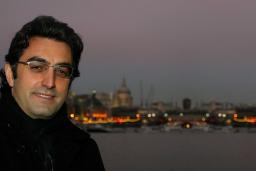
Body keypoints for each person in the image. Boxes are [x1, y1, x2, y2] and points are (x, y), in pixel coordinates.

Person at [0, 16, 105, 171]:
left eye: (61, 71)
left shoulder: (85, 150)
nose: (50, 82)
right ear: (10, 74)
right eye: (36, 67)